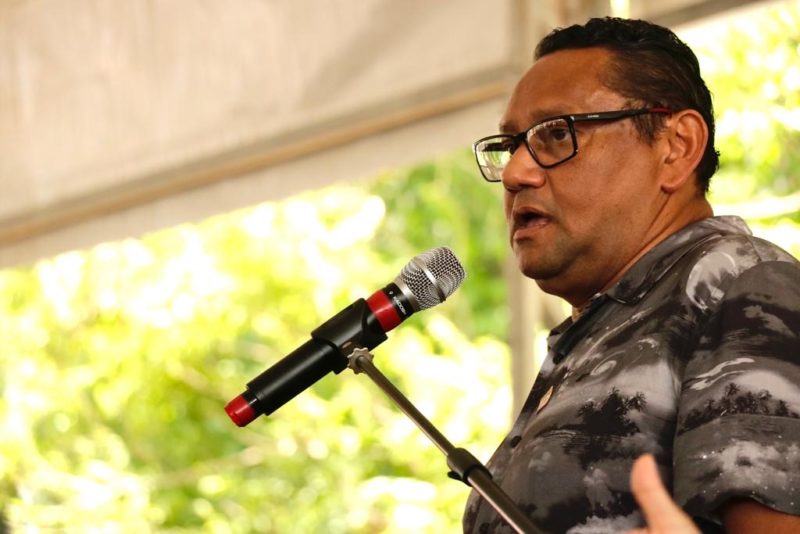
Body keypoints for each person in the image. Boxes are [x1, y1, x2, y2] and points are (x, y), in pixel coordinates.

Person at [464, 17, 800, 533]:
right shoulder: (606, 328)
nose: (514, 173)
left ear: (677, 146)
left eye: (557, 134)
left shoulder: (739, 283)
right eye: (511, 146)